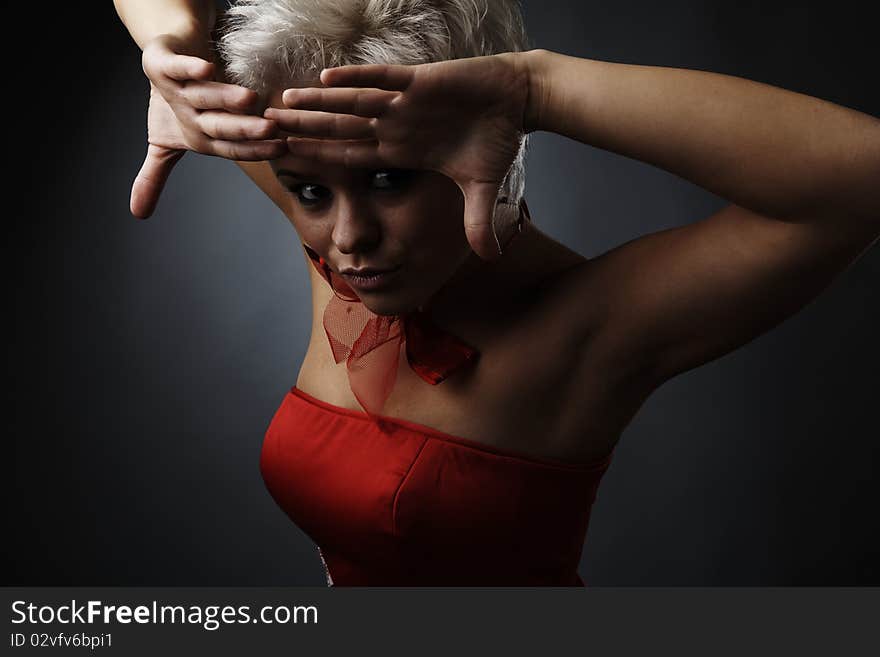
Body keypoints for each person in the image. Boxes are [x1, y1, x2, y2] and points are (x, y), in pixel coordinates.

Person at [113, 0, 879, 586]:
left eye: (390, 179)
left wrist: (534, 87)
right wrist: (170, 47)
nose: (347, 240)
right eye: (307, 190)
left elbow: (860, 180)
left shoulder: (591, 330)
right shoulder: (341, 238)